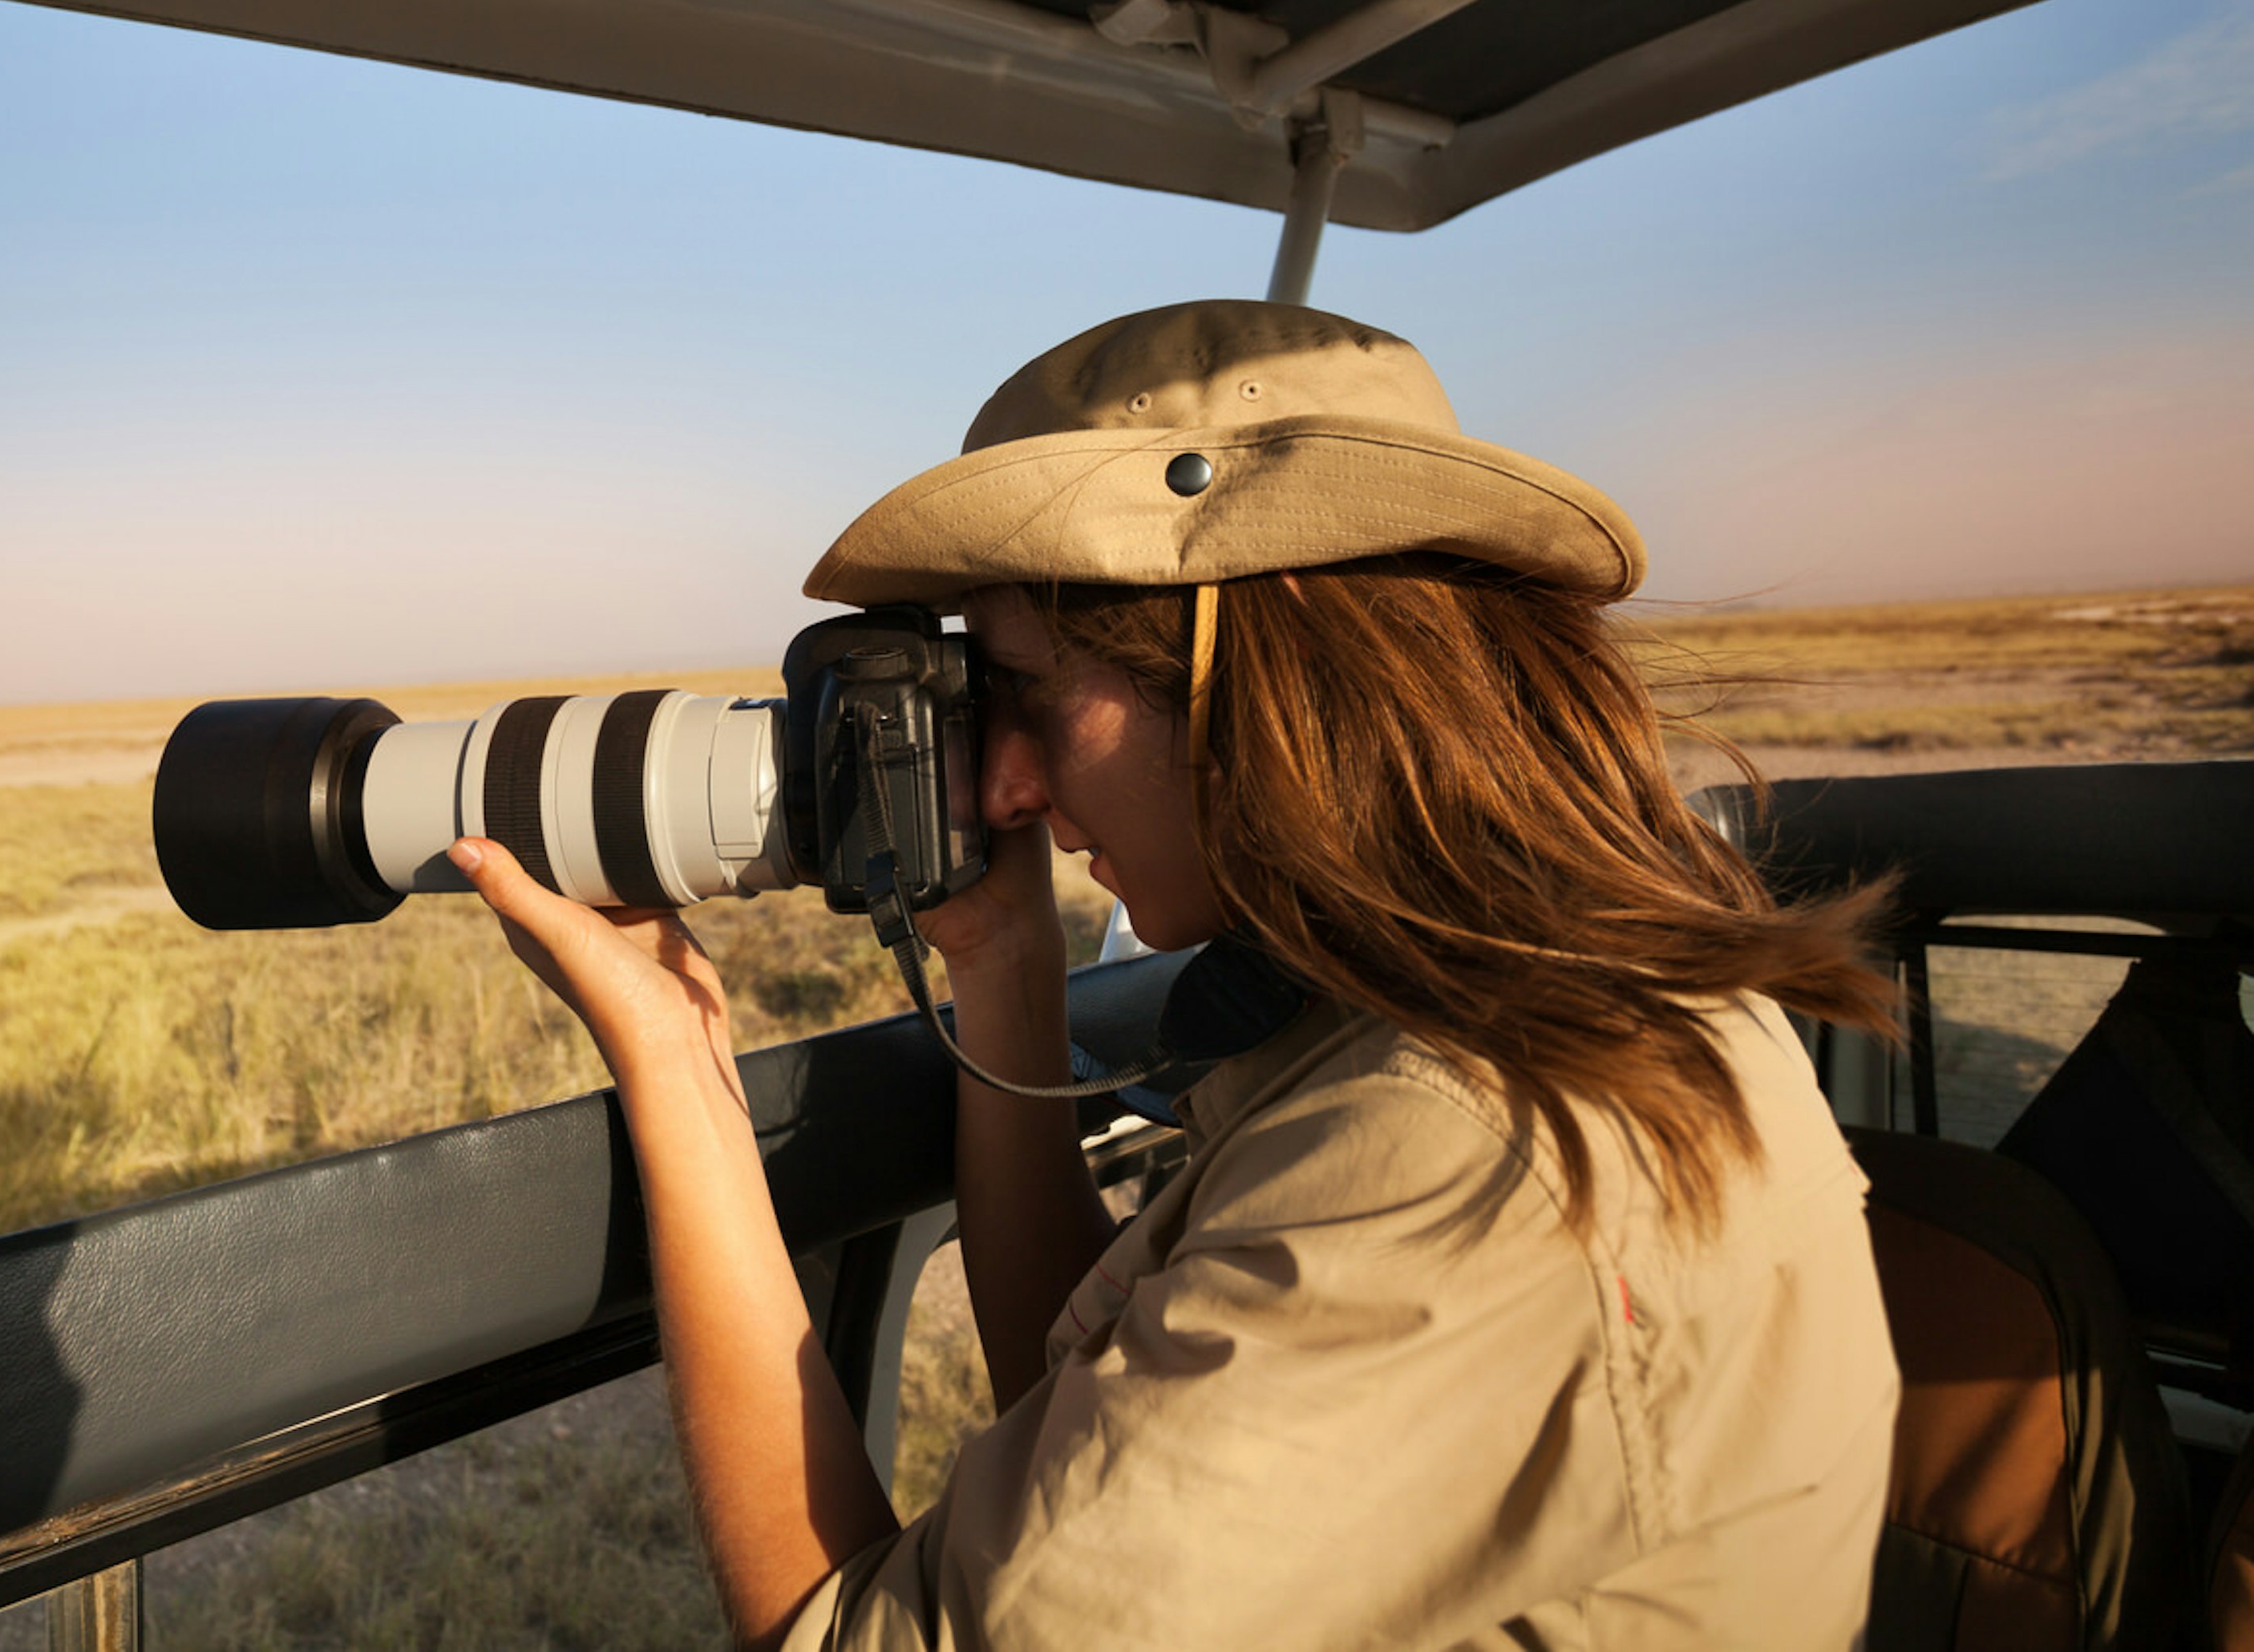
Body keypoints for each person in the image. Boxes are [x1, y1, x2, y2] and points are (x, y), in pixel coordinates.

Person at [447, 300, 1901, 1650]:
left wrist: (675, 1053)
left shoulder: (1468, 1149)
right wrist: (1009, 961)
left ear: (1252, 674)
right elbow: (1101, 1422)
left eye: (1025, 691)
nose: (1002, 783)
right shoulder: (1492, 998)